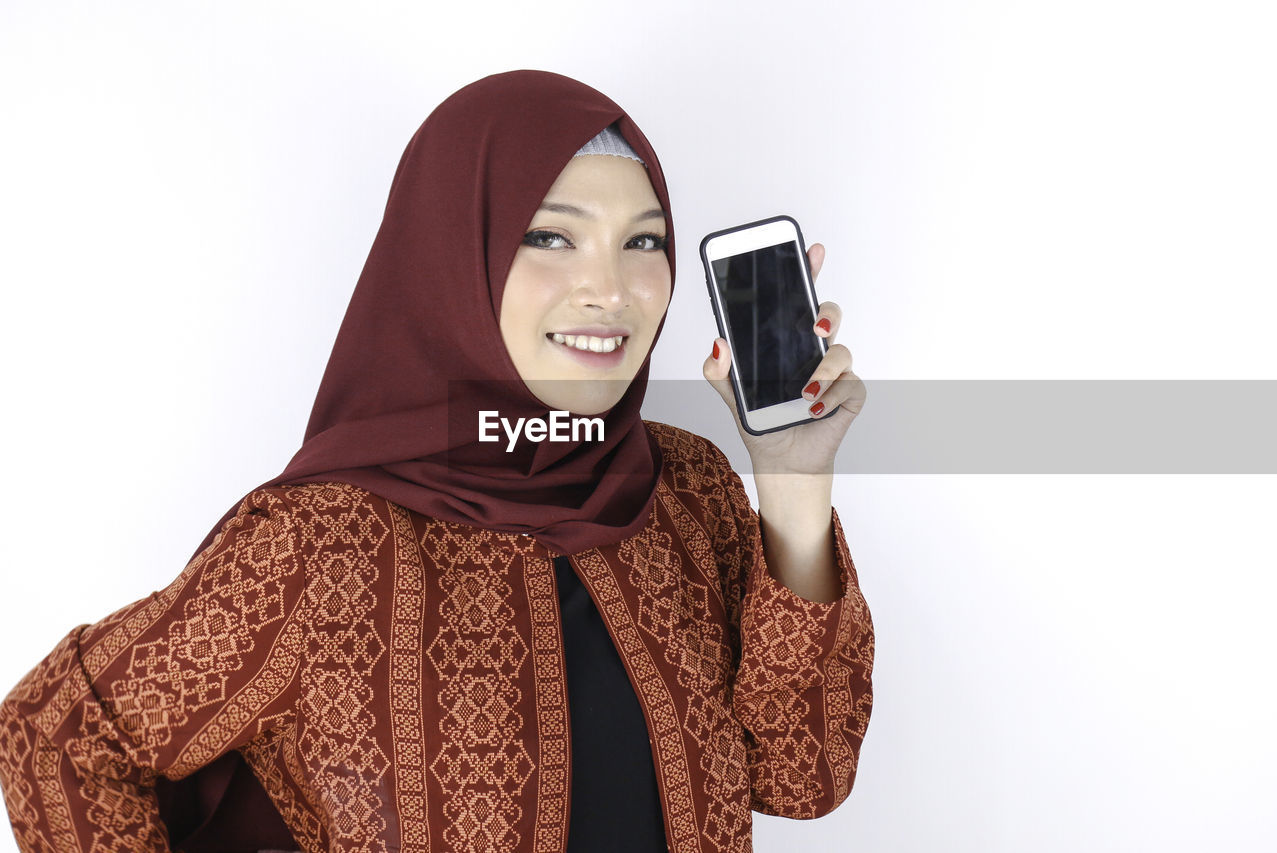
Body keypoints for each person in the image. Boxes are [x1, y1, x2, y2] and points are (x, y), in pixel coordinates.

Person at [0, 70, 873, 853]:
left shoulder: (689, 491)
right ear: (454, 255)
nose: (611, 287)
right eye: (550, 237)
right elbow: (60, 735)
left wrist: (793, 486)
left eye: (644, 242)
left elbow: (801, 779)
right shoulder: (320, 543)